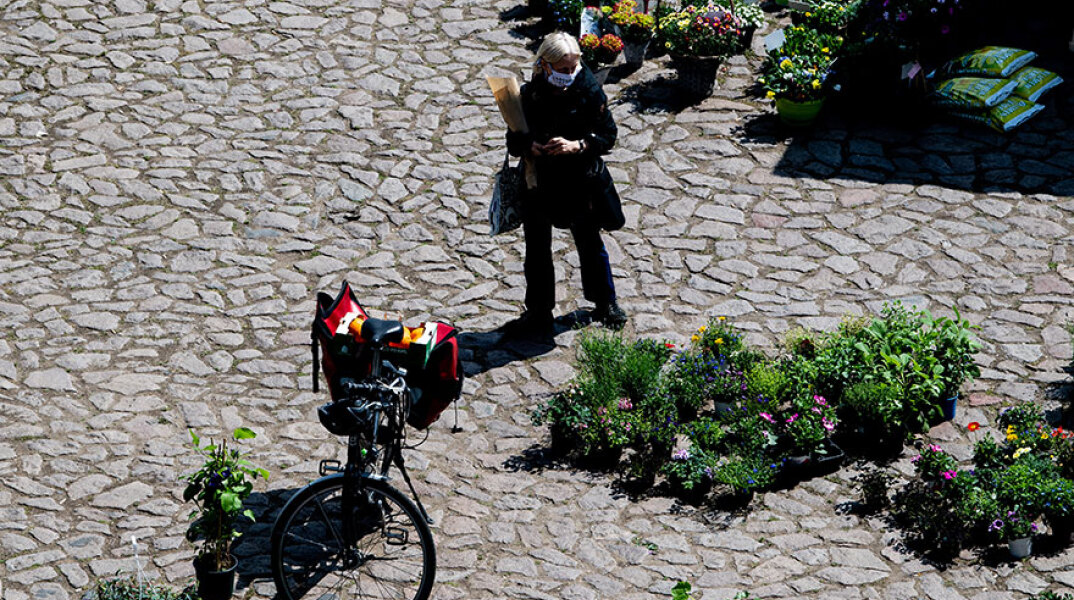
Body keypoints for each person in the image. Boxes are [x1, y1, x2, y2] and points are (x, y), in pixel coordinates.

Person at [503, 31, 627, 337]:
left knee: (589, 243)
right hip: (539, 183)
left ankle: (605, 302)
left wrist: (579, 146)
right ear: (545, 65)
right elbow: (514, 137)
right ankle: (539, 312)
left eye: (573, 67)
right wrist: (528, 144)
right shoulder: (530, 95)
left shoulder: (589, 91)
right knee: (537, 250)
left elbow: (608, 135)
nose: (569, 74)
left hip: (578, 183)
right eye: (562, 69)